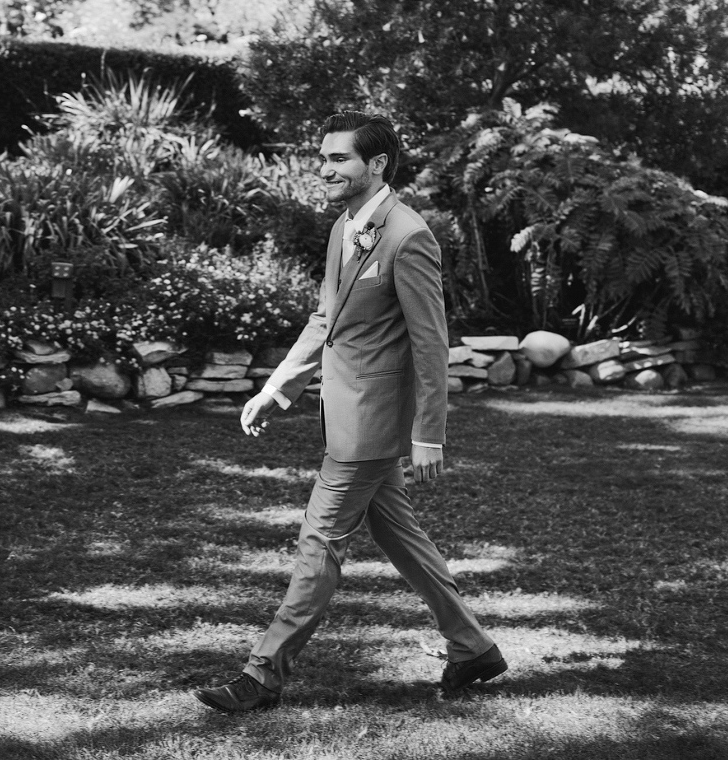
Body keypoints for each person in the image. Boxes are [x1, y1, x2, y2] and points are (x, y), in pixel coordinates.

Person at [194, 111, 506, 713]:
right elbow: (326, 321)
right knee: (399, 534)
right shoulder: (346, 226)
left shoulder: (408, 235)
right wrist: (276, 386)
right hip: (345, 409)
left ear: (377, 165)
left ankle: (262, 674)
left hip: (372, 422)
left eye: (339, 158)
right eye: (324, 157)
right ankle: (472, 646)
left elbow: (431, 342)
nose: (325, 168)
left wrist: (429, 435)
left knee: (320, 542)